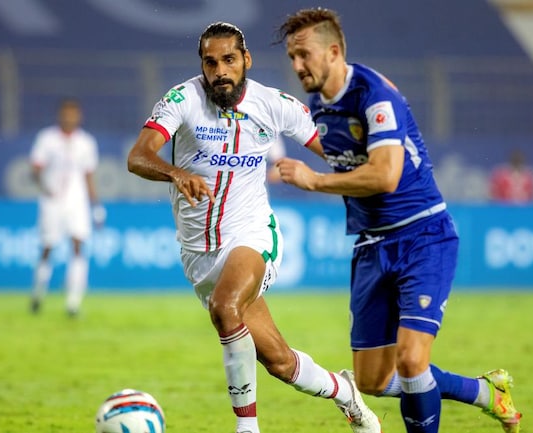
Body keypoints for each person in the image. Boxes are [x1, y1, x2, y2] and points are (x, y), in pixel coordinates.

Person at [275, 8, 522, 433]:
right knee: (373, 380)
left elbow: (386, 176)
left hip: (422, 236)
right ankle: (486, 393)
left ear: (333, 52)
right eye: (292, 58)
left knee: (411, 360)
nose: (297, 66)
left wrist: (314, 181)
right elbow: (346, 156)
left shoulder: (373, 94)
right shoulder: (319, 104)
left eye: (305, 55)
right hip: (372, 245)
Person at [126, 22, 381, 433]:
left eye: (229, 60)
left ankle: (248, 429)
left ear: (246, 60)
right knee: (279, 361)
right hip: (199, 253)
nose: (220, 71)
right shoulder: (182, 98)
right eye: (211, 63)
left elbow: (336, 152)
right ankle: (344, 393)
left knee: (226, 309)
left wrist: (377, 166)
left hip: (251, 234)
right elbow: (138, 157)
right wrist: (175, 173)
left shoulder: (275, 104)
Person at [29, 98, 105, 317]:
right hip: (51, 202)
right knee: (47, 247)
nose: (69, 118)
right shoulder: (47, 139)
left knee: (78, 246)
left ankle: (73, 303)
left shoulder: (86, 142)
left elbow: (89, 176)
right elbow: (35, 168)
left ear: (79, 116)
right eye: (66, 113)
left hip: (76, 203)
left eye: (73, 114)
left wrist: (96, 206)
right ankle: (38, 294)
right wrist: (45, 187)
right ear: (59, 115)